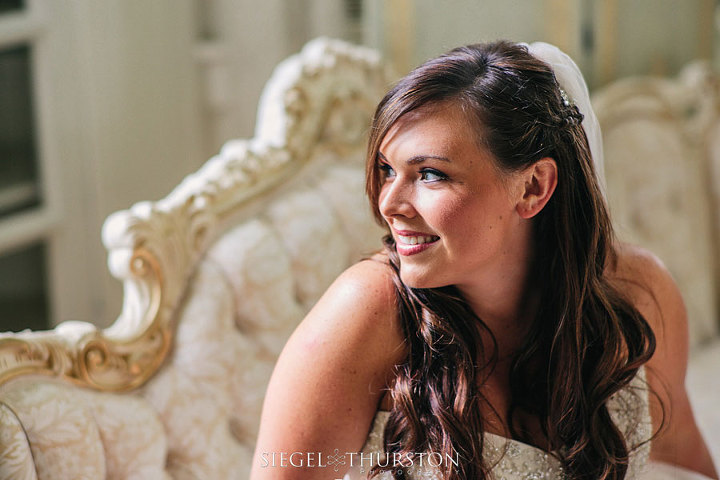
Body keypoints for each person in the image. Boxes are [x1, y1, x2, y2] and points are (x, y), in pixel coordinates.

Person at [250, 40, 718, 480]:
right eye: (387, 170)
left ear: (533, 187)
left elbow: (683, 461)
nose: (389, 203)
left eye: (430, 174)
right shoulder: (366, 312)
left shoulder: (638, 292)